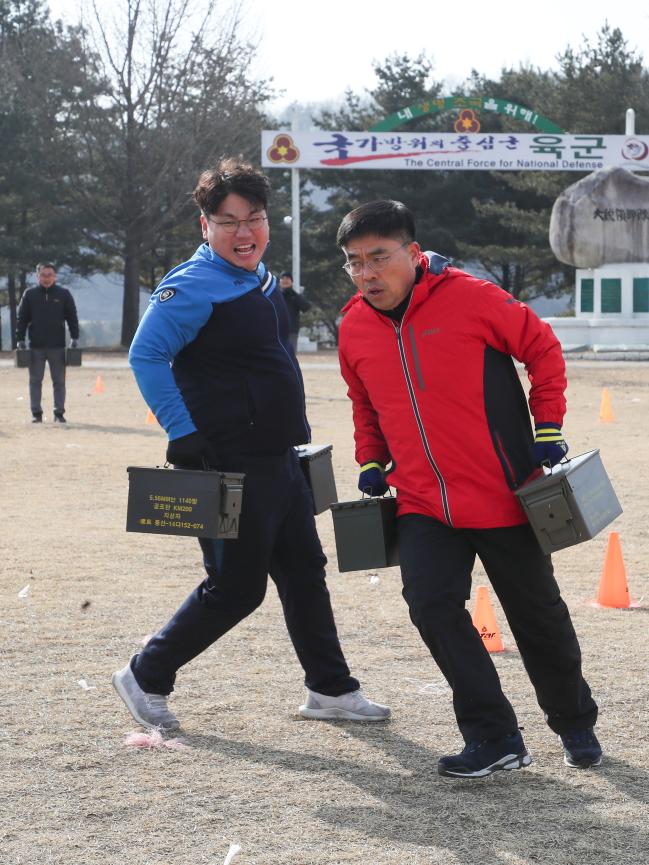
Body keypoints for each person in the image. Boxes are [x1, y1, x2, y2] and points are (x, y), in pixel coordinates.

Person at [112, 159, 389, 731]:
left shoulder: (258, 278)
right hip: (229, 461)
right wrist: (182, 432)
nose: (244, 232)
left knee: (304, 569)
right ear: (205, 227)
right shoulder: (190, 286)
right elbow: (146, 355)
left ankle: (330, 689)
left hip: (278, 455)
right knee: (237, 589)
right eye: (229, 221)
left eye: (255, 219)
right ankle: (146, 674)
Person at [336, 199, 601, 779]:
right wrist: (372, 460)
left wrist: (548, 426)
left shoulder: (473, 297)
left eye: (379, 258)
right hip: (424, 504)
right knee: (430, 606)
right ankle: (494, 735)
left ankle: (574, 720)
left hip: (503, 493)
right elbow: (364, 402)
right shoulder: (353, 324)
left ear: (412, 252)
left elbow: (543, 349)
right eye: (354, 262)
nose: (367, 274)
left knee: (538, 617)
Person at [16, 262, 79, 423]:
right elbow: (21, 319)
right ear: (37, 276)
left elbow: (72, 317)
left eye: (50, 275)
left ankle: (59, 413)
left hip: (57, 346)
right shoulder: (29, 295)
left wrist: (74, 338)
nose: (47, 278)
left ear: (55, 276)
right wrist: (20, 339)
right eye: (43, 275)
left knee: (59, 382)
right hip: (35, 346)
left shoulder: (64, 294)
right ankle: (36, 413)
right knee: (35, 381)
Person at [278, 271, 310, 351]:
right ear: (279, 282)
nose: (285, 280)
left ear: (292, 282)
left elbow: (306, 307)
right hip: (276, 331)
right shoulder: (274, 295)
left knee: (290, 355)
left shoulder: (294, 296)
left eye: (287, 278)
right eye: (283, 278)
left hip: (291, 331)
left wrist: (292, 293)